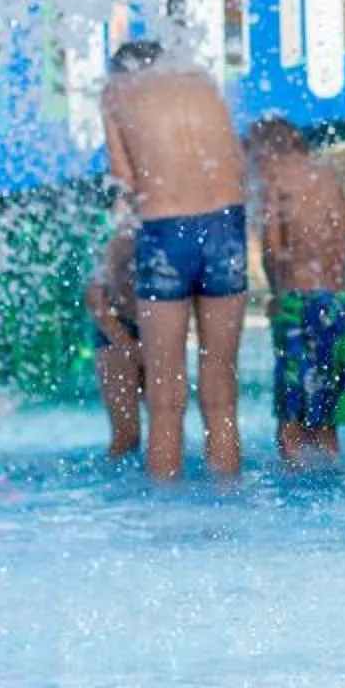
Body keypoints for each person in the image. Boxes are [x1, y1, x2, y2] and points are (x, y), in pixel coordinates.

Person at [102, 38, 251, 479]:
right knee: (221, 385)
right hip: (226, 225)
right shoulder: (202, 80)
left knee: (166, 395)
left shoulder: (117, 93)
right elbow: (237, 161)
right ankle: (228, 497)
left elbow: (123, 175)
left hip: (166, 230)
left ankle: (166, 513)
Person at [251, 117, 345, 467]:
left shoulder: (275, 181)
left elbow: (273, 247)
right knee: (326, 418)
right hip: (340, 302)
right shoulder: (327, 175)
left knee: (292, 419)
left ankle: (296, 487)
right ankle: (329, 476)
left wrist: (276, 294)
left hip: (298, 301)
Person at [86, 224, 143, 461]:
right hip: (116, 329)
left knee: (167, 428)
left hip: (156, 330)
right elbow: (95, 301)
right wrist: (129, 347)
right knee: (126, 437)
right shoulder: (117, 239)